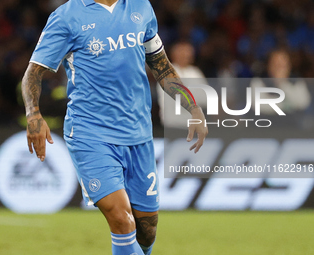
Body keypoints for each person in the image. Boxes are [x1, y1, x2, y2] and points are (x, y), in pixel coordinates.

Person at [21, 0, 208, 255]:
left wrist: (194, 109)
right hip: (91, 133)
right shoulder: (66, 16)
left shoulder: (141, 7)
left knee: (147, 227)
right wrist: (34, 115)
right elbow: (33, 73)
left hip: (138, 133)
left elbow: (162, 68)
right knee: (121, 219)